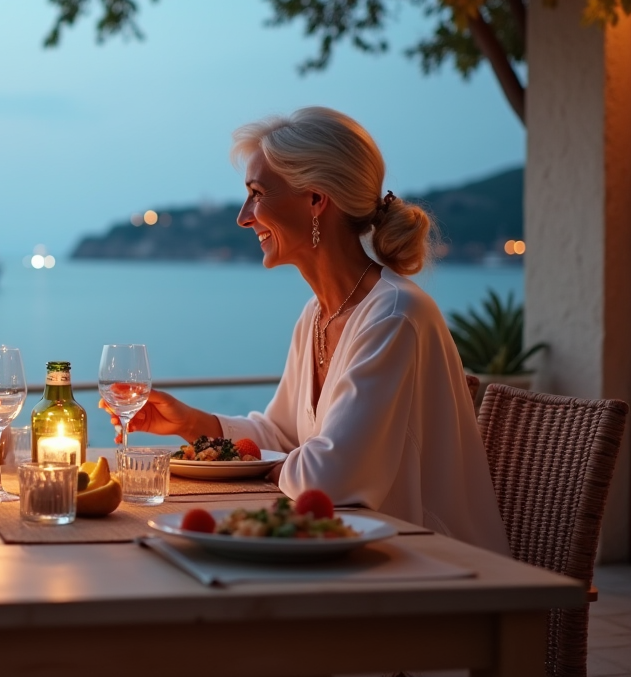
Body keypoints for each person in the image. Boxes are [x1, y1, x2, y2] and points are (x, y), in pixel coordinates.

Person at [116, 107, 509, 555]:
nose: (243, 216)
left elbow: (329, 480)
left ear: (316, 200)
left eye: (257, 194)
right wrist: (192, 423)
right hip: (357, 556)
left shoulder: (394, 316)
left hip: (436, 566)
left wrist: (277, 465)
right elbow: (283, 436)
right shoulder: (317, 315)